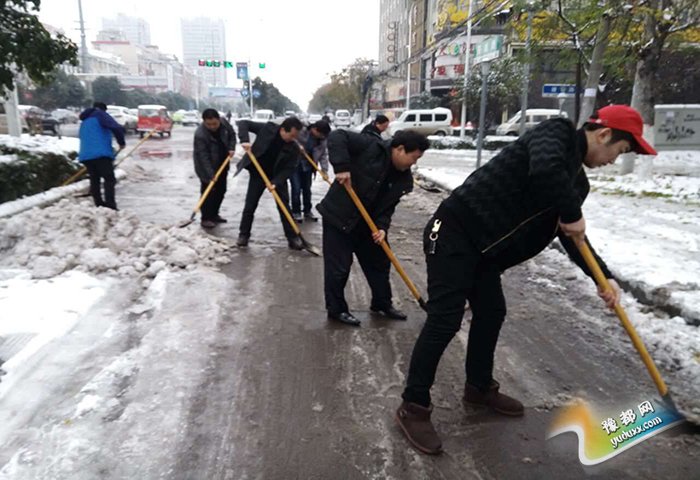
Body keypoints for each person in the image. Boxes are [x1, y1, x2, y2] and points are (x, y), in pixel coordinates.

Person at [395, 105, 657, 455]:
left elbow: (570, 235)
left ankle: (478, 387)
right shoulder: (556, 133)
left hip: (485, 252)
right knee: (445, 319)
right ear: (604, 134)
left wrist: (602, 277)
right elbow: (545, 169)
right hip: (454, 232)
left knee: (492, 312)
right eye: (619, 151)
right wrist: (572, 212)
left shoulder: (576, 184)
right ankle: (413, 406)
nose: (613, 161)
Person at [318, 129, 430, 326]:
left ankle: (381, 303)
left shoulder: (403, 179)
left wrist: (382, 227)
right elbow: (337, 136)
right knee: (339, 268)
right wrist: (342, 167)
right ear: (400, 149)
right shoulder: (371, 146)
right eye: (413, 158)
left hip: (368, 225)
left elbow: (387, 208)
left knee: (380, 263)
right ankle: (336, 309)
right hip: (339, 218)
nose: (413, 163)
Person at [235, 116, 304, 249]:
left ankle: (293, 237)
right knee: (250, 205)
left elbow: (289, 169)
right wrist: (244, 140)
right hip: (258, 174)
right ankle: (243, 235)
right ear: (282, 130)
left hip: (277, 176)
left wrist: (276, 182)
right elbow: (243, 123)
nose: (293, 139)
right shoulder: (268, 129)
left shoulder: (294, 148)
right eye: (291, 135)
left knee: (284, 207)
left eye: (296, 136)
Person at [193, 109, 236, 228]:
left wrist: (231, 148)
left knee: (221, 190)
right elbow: (203, 157)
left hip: (222, 163)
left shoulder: (224, 123)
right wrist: (211, 174)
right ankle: (206, 218)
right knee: (208, 192)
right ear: (204, 122)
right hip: (205, 167)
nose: (212, 127)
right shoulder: (200, 134)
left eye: (214, 124)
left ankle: (214, 214)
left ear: (218, 120)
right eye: (209, 124)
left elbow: (232, 134)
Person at [78, 101, 126, 210]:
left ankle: (99, 204)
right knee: (109, 179)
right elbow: (116, 127)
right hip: (101, 154)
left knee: (95, 179)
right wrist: (121, 142)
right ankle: (110, 206)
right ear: (104, 109)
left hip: (85, 155)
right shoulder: (100, 114)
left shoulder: (85, 120)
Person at [290, 120, 331, 223]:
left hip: (308, 166)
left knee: (307, 189)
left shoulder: (322, 140)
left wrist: (324, 171)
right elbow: (290, 138)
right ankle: (296, 212)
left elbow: (323, 155)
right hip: (294, 164)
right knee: (296, 189)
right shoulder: (301, 131)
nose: (322, 137)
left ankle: (307, 211)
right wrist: (297, 146)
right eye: (321, 134)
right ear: (314, 129)